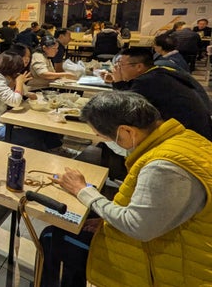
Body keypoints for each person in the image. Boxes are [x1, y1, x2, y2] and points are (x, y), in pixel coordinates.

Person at [40, 91, 212, 287]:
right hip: (173, 241)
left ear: (126, 132)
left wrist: (83, 190)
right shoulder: (186, 139)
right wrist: (110, 220)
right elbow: (155, 211)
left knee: (53, 237)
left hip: (179, 268)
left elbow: (138, 227)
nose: (105, 142)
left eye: (103, 137)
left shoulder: (163, 167)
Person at [101, 47, 212, 139]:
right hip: (201, 129)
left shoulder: (146, 81)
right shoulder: (158, 73)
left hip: (189, 137)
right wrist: (117, 80)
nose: (117, 69)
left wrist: (119, 82)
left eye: (120, 65)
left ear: (139, 66)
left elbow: (123, 108)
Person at [0, 51, 63, 151]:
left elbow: (10, 91)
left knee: (39, 130)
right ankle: (47, 156)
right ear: (11, 69)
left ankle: (56, 149)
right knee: (33, 138)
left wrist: (25, 91)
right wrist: (19, 82)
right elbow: (14, 101)